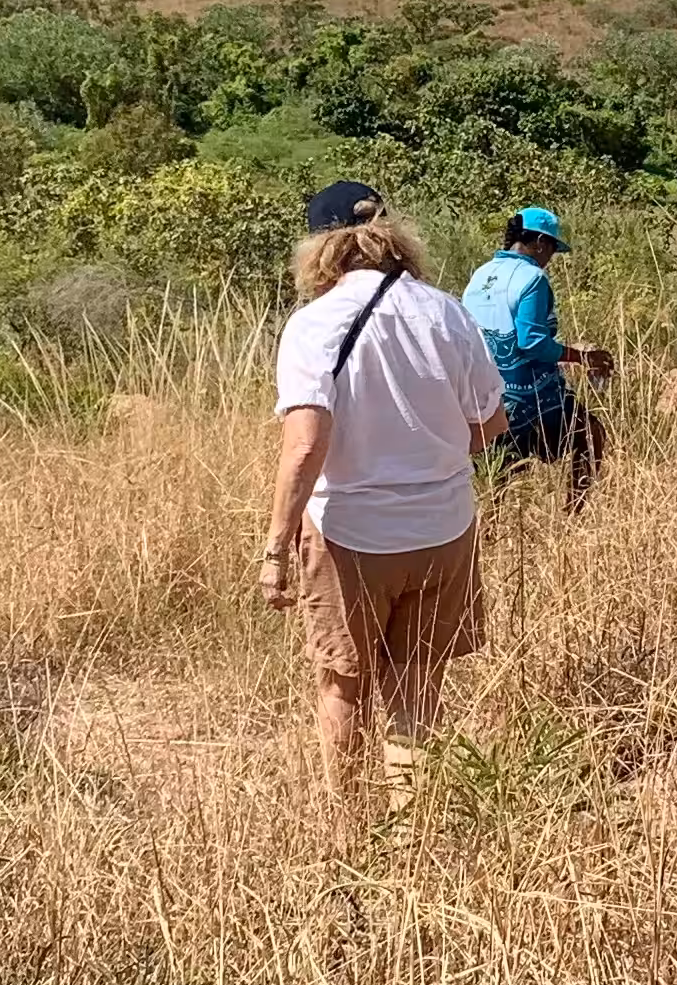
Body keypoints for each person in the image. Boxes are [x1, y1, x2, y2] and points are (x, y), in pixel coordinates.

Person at [261, 179, 505, 825]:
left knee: (344, 684)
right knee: (417, 687)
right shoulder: (445, 311)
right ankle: (412, 830)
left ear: (321, 248)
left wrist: (275, 548)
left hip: (349, 533)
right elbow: (490, 424)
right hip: (443, 527)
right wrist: (427, 455)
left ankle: (349, 829)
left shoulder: (314, 324)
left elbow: (306, 444)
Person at [462, 204, 611, 510]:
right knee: (590, 434)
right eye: (552, 249)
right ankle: (573, 515)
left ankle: (487, 542)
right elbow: (532, 342)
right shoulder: (532, 279)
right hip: (529, 398)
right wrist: (581, 357)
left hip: (482, 395)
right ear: (540, 242)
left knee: (495, 477)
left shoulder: (481, 274)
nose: (550, 258)